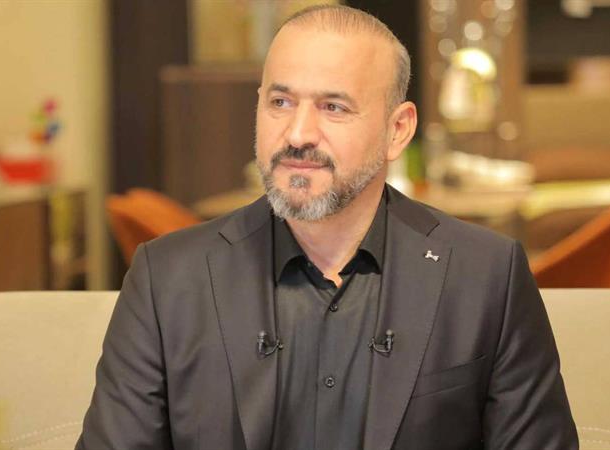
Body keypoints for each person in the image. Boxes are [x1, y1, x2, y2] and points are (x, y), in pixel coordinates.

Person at [76, 5, 577, 450]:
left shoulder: (486, 276)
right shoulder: (166, 279)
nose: (297, 133)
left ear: (397, 130)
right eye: (280, 102)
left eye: (333, 107)